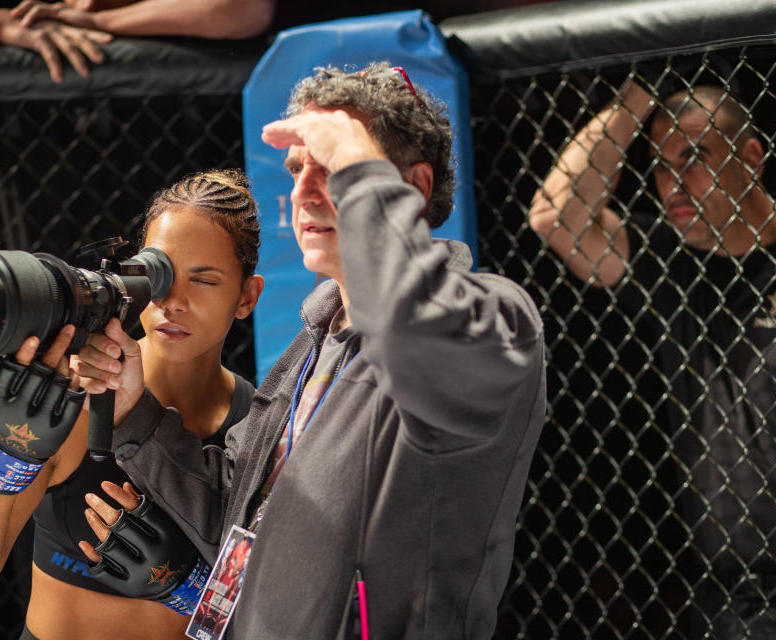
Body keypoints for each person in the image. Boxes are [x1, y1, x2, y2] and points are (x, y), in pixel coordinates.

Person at [73, 62, 546, 638]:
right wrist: (136, 413)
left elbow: (422, 336)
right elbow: (240, 507)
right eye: (298, 169)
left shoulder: (492, 318)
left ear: (413, 189)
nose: (303, 191)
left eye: (335, 170)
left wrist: (358, 159)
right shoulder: (313, 343)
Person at [0, 169, 265, 640]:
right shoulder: (79, 395)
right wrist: (6, 454)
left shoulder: (261, 428)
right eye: (159, 273)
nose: (173, 301)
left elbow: (285, 615)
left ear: (247, 296)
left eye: (204, 280)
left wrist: (191, 590)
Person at [529, 80, 776, 636]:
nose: (673, 184)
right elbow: (555, 216)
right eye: (661, 167)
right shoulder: (673, 263)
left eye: (693, 158)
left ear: (751, 158)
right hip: (725, 593)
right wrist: (636, 94)